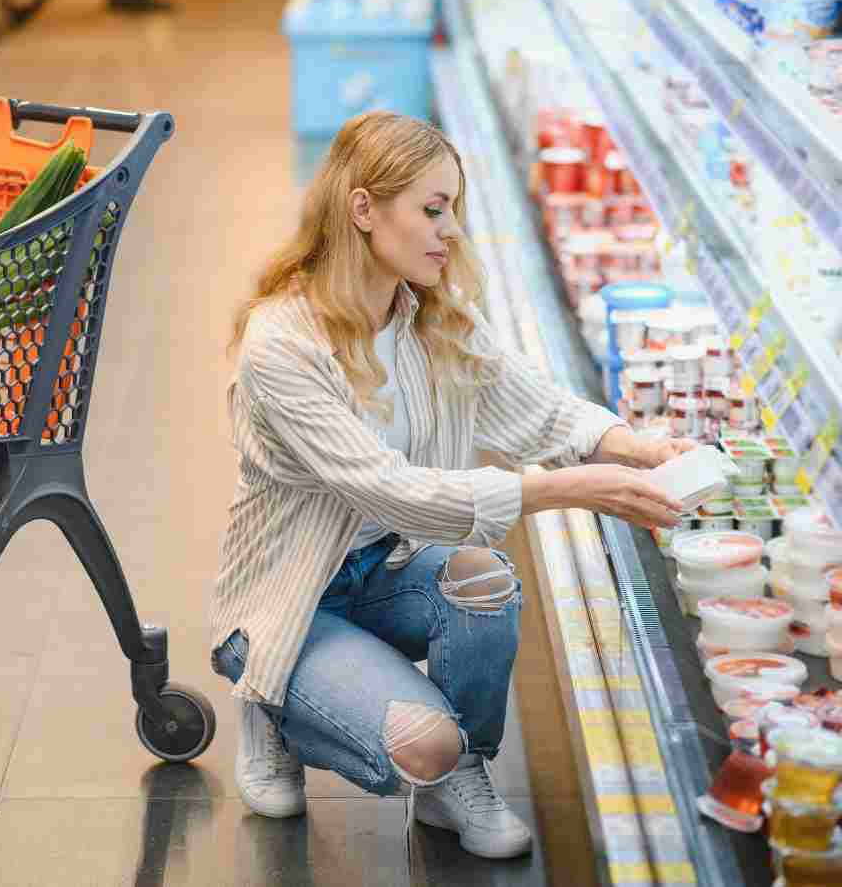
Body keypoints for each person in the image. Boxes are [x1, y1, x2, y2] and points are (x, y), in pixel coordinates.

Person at [209, 111, 693, 860]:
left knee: (482, 581)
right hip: (289, 599)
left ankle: (457, 776)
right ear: (364, 209)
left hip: (387, 571)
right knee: (421, 741)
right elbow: (390, 489)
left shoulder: (427, 314)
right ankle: (271, 700)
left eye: (454, 210)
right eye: (432, 210)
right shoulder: (284, 343)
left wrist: (636, 446)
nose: (451, 230)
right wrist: (559, 491)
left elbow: (533, 404)